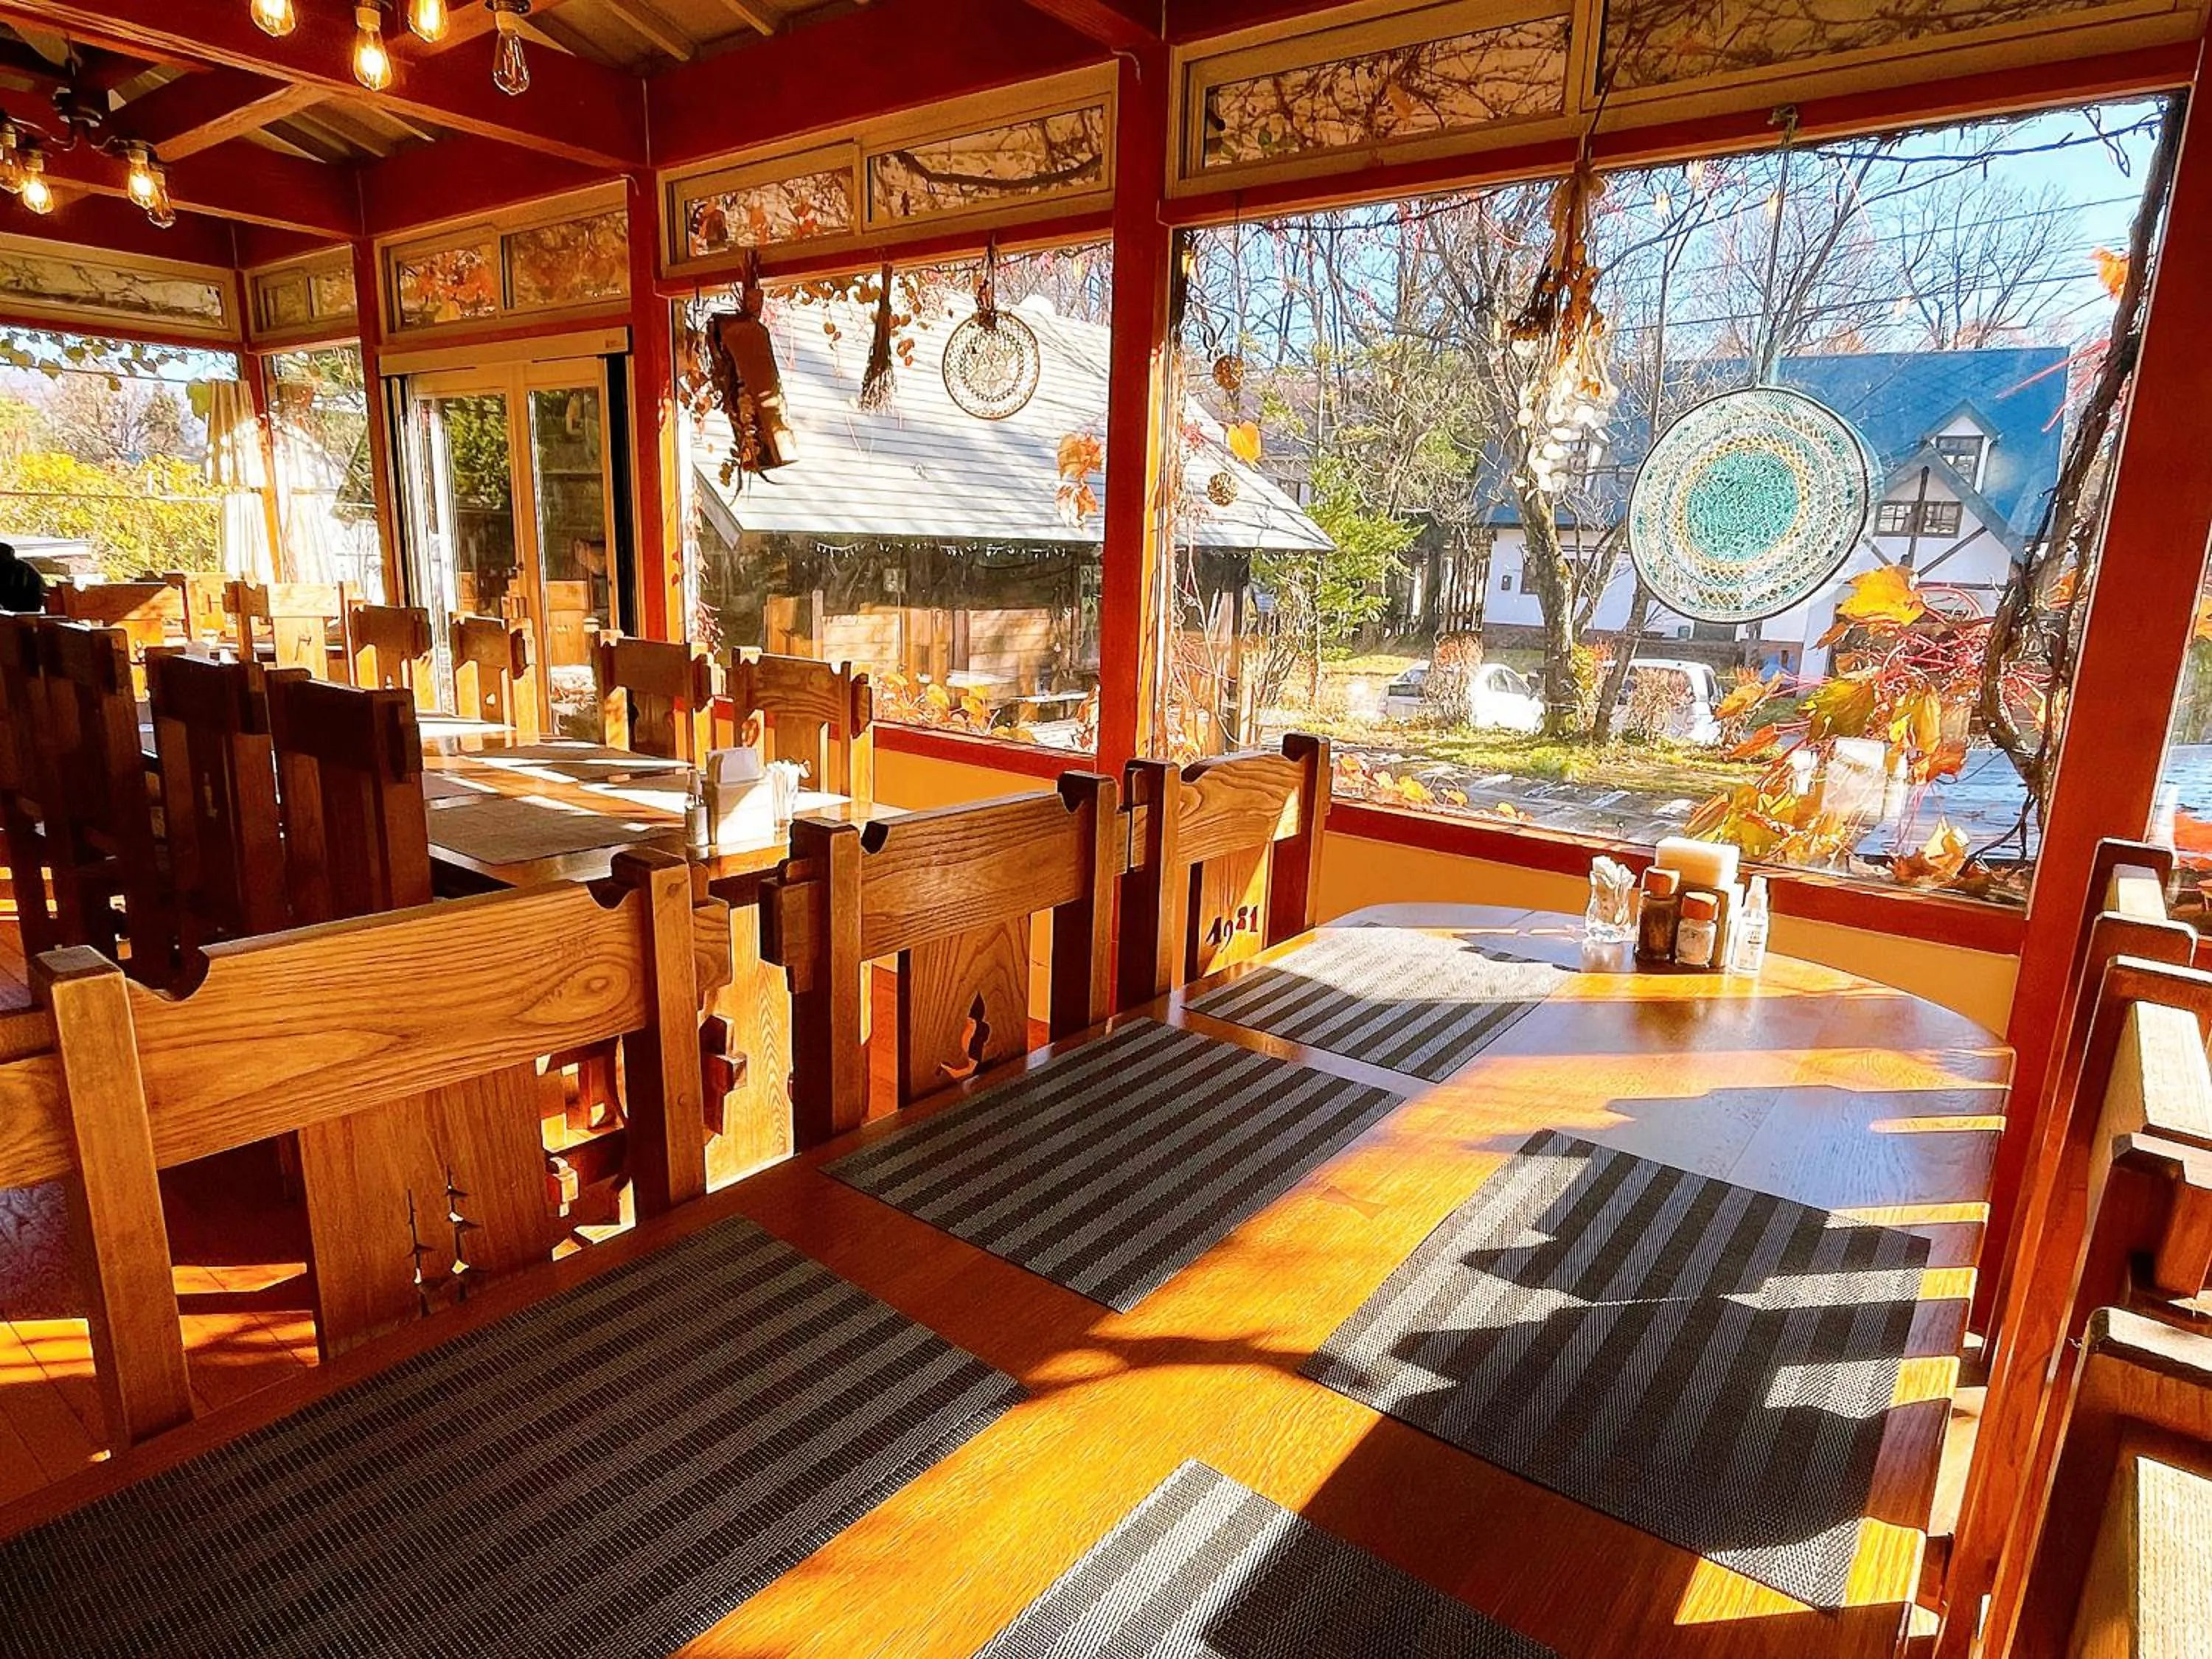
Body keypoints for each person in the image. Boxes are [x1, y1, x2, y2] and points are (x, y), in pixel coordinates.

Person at [0, 543, 46, 614]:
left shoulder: (12, 569)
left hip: (21, 611)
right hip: (30, 610)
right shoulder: (24, 566)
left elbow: (10, 594)